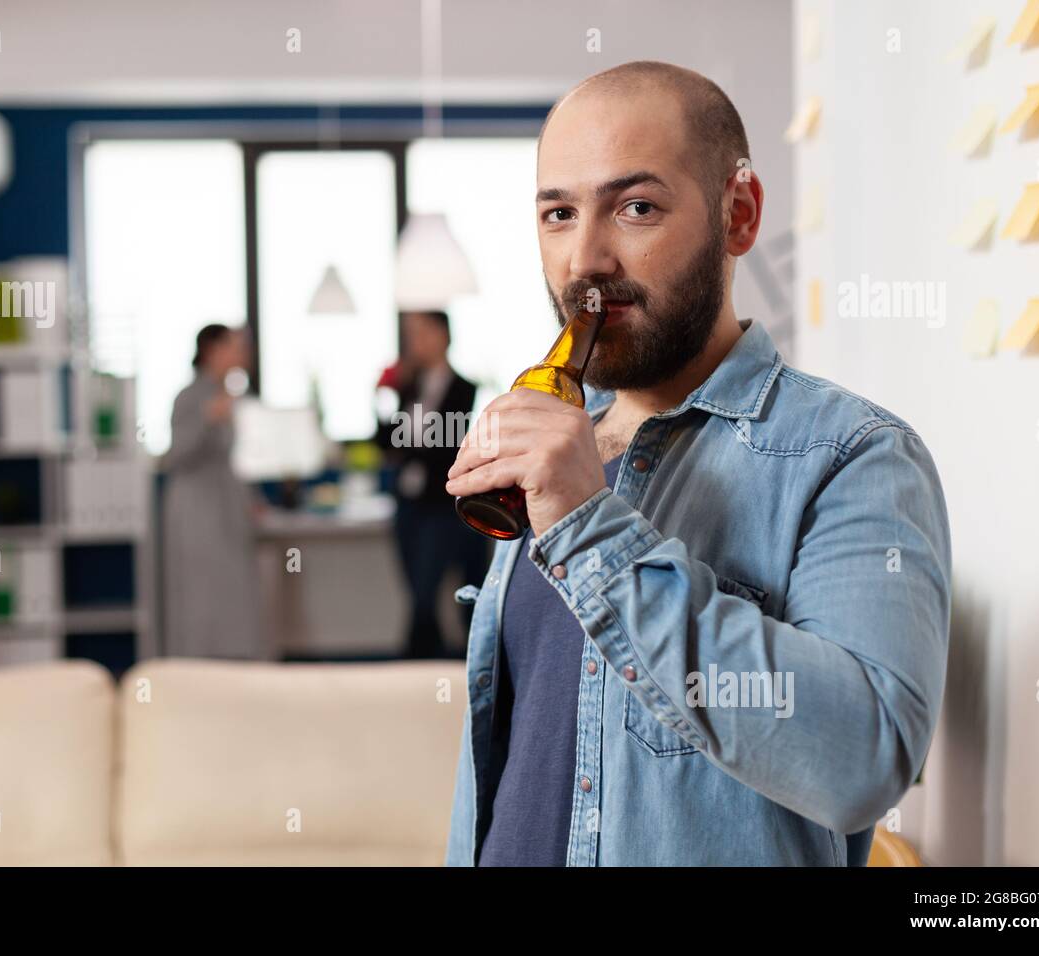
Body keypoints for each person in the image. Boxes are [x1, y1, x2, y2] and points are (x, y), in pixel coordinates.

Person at [442, 61, 952, 866]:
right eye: (559, 214)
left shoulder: (854, 456)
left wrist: (587, 525)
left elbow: (863, 761)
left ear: (739, 216)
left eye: (636, 208)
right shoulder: (554, 453)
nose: (586, 261)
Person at [374, 310, 489, 659]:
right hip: (407, 505)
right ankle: (431, 661)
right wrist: (380, 397)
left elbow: (445, 447)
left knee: (425, 592)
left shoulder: (463, 389)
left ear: (442, 337)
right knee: (416, 592)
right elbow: (384, 442)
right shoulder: (410, 388)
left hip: (440, 506)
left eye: (422, 334)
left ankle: (415, 660)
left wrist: (408, 447)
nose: (414, 343)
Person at [160, 323, 270, 660]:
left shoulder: (234, 397)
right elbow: (174, 455)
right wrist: (207, 417)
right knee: (199, 595)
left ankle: (234, 670)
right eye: (234, 346)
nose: (241, 354)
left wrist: (253, 499)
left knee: (233, 594)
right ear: (212, 351)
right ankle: (194, 668)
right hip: (196, 510)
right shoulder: (190, 397)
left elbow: (238, 459)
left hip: (227, 507)